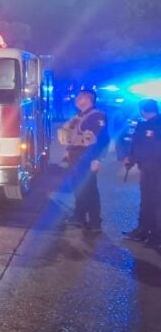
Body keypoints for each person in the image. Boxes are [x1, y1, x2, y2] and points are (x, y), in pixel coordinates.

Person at [58, 89, 109, 232]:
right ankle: (79, 217)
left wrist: (97, 159)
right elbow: (71, 135)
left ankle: (94, 222)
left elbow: (103, 139)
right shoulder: (79, 116)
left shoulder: (97, 116)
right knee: (78, 188)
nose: (77, 100)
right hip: (76, 156)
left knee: (89, 190)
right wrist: (68, 151)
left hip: (87, 157)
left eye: (80, 97)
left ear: (88, 99)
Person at [123, 98, 161, 247]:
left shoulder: (151, 125)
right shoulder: (144, 124)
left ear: (143, 110)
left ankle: (155, 236)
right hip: (148, 168)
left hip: (154, 169)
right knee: (148, 201)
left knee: (155, 202)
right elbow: (137, 145)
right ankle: (144, 230)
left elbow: (145, 148)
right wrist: (131, 158)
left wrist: (132, 159)